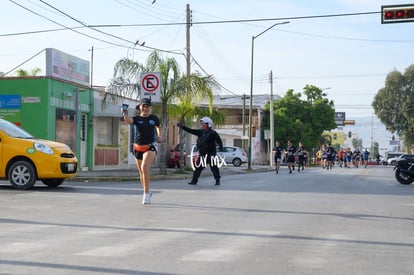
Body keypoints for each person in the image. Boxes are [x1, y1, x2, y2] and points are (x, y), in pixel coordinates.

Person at [122, 98, 161, 205]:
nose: (146, 108)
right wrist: (125, 113)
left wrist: (159, 135)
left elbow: (158, 126)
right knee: (141, 172)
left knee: (145, 167)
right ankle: (146, 190)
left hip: (150, 146)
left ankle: (146, 194)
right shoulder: (136, 118)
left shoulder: (154, 118)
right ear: (140, 107)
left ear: (150, 107)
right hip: (138, 147)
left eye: (148, 106)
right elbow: (128, 121)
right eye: (144, 106)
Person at [177, 117, 223, 185]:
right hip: (202, 154)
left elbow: (219, 141)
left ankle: (217, 180)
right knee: (198, 168)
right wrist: (182, 127)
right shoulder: (200, 132)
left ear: (209, 124)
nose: (203, 125)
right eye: (202, 124)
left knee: (214, 168)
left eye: (204, 124)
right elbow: (191, 130)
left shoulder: (213, 133)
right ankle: (194, 181)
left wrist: (221, 148)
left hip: (211, 154)